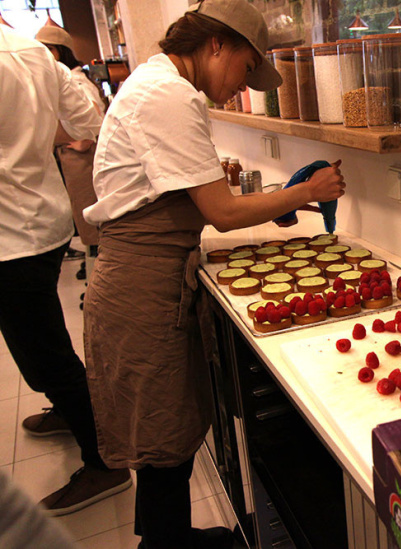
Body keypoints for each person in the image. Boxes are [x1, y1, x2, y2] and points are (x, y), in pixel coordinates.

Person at [82, 1, 345, 547]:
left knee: (167, 434)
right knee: (161, 439)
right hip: (141, 284)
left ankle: (166, 536)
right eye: (247, 67)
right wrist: (303, 193)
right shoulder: (168, 94)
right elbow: (221, 214)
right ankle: (166, 542)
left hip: (151, 274)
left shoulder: (164, 85)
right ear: (217, 43)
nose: (241, 84)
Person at [0, 23, 132, 516]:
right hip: (45, 219)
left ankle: (105, 462)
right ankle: (67, 409)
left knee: (44, 354)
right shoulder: (35, 55)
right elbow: (89, 120)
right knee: (45, 339)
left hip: (9, 238)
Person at [36, 25, 105, 281]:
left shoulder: (74, 79)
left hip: (81, 160)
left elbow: (94, 118)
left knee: (89, 218)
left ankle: (97, 275)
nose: (43, 54)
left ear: (60, 51)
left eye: (48, 49)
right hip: (73, 159)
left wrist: (81, 141)